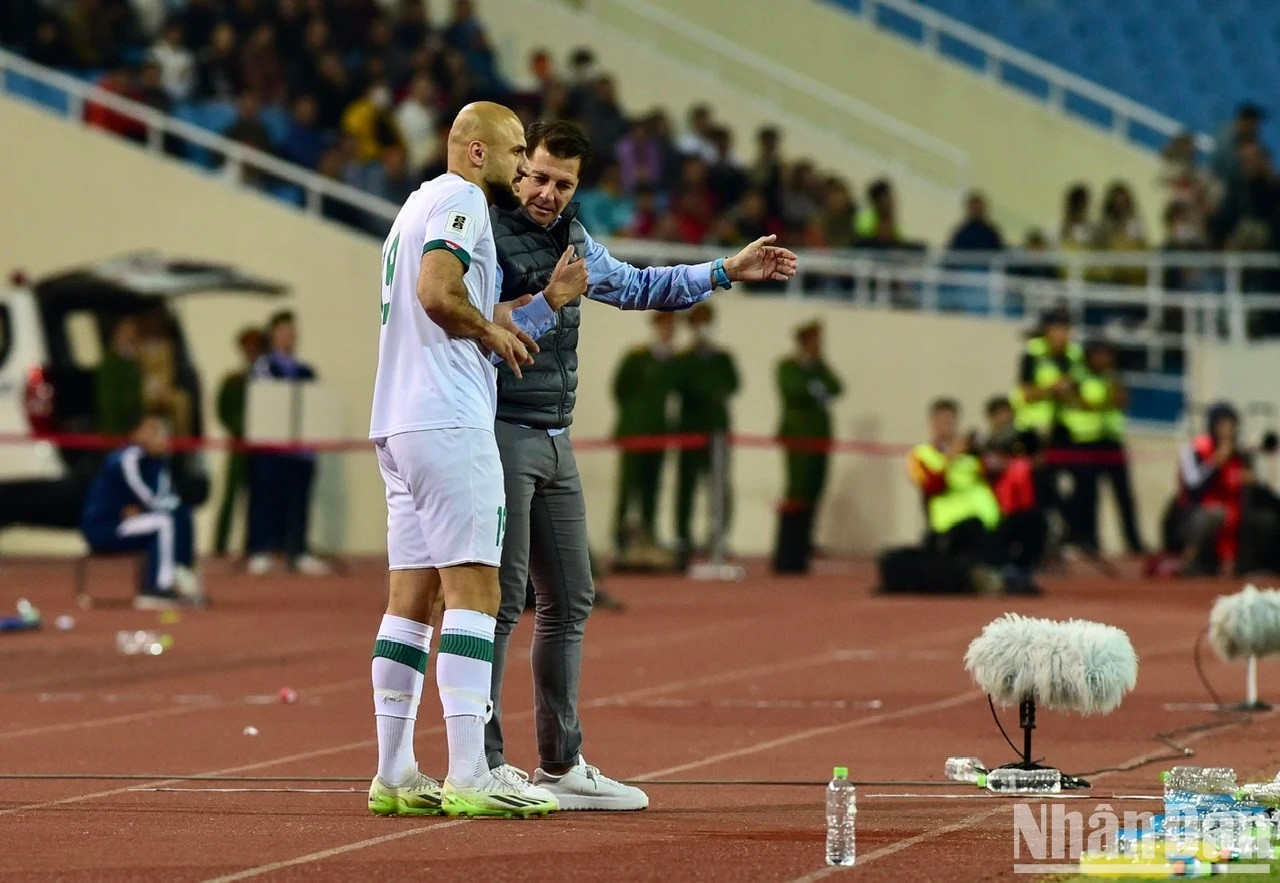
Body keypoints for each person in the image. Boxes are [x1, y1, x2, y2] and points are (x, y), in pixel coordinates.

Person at [485, 119, 796, 811]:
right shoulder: (482, 228)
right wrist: (549, 302)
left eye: (563, 184)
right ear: (517, 168)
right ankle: (483, 764)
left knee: (570, 600)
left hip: (554, 436)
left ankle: (560, 764)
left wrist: (723, 271)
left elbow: (635, 285)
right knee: (499, 605)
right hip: (497, 432)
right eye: (537, 176)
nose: (547, 192)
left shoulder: (573, 234)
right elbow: (475, 324)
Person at [367, 101, 563, 819]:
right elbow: (440, 295)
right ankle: (471, 772)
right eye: (515, 154)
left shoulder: (412, 208)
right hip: (449, 420)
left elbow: (469, 312)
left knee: (410, 600)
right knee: (476, 590)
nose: (522, 170)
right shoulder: (460, 199)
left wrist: (543, 306)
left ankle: (394, 770)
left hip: (399, 422)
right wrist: (487, 328)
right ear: (476, 152)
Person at [80, 411, 201, 609]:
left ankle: (182, 571)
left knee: (182, 513)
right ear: (135, 434)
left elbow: (168, 498)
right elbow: (152, 499)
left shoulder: (155, 462)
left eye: (161, 431)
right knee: (164, 521)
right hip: (105, 527)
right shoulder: (128, 458)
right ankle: (157, 588)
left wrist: (163, 460)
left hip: (129, 523)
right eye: (152, 430)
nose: (159, 436)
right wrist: (146, 509)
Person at [245, 311, 328, 577]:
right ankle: (263, 549)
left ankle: (298, 550)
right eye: (284, 331)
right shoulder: (264, 368)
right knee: (267, 500)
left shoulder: (305, 371)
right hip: (271, 450)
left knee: (298, 501)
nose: (289, 337)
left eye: (292, 332)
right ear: (273, 335)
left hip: (300, 452)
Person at [1168, 402, 1278, 576]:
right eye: (1223, 426)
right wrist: (1216, 462)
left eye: (1231, 426)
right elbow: (1194, 489)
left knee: (1262, 518)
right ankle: (1189, 560)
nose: (1228, 431)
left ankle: (1248, 564)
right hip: (1192, 515)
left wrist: (1252, 481)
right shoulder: (1195, 449)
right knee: (1216, 513)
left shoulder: (1240, 455)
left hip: (1232, 516)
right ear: (1213, 426)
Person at [905, 399, 1004, 593]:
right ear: (931, 423)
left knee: (1031, 523)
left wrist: (985, 450)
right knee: (974, 533)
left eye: (950, 421)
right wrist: (951, 456)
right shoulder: (921, 454)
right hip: (951, 525)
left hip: (987, 521)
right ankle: (993, 576)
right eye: (941, 421)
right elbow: (931, 486)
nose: (946, 426)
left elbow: (994, 475)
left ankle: (1009, 574)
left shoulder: (971, 454)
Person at [1060, 341, 1144, 556]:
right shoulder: (1078, 377)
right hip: (1085, 441)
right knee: (1089, 494)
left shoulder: (1113, 377)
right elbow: (1080, 403)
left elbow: (1121, 401)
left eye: (1107, 354)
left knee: (1124, 494)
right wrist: (1101, 402)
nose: (1103, 359)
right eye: (1099, 354)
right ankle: (1090, 541)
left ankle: (1133, 541)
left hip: (1111, 440)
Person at [774, 320, 843, 573]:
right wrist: (814, 388)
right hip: (797, 436)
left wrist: (817, 381)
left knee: (815, 488)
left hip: (819, 437)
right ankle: (790, 547)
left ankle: (806, 542)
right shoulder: (788, 367)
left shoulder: (819, 368)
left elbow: (837, 388)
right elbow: (793, 391)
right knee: (797, 490)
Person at [671, 302, 740, 559]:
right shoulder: (683, 359)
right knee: (686, 488)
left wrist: (704, 387)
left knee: (720, 488)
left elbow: (732, 383)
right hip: (690, 431)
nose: (704, 329)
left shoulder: (723, 358)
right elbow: (682, 385)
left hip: (717, 431)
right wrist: (708, 388)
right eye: (699, 323)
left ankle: (718, 536)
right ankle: (683, 538)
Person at [612, 312, 678, 560]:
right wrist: (633, 417)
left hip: (658, 433)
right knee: (628, 487)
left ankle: (649, 535)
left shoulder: (672, 361)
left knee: (652, 487)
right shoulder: (637, 358)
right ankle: (620, 537)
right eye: (664, 326)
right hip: (635, 431)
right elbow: (620, 388)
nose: (668, 332)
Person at [1010, 307, 1081, 535]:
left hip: (1059, 428)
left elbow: (1077, 394)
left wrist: (1068, 392)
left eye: (1067, 329)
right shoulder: (1032, 355)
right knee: (1038, 486)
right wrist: (1053, 389)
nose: (1064, 334)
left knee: (1077, 480)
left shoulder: (1072, 357)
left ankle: (1068, 533)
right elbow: (1026, 393)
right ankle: (1041, 535)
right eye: (1059, 328)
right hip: (1032, 432)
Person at [213, 327, 264, 557]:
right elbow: (222, 410)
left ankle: (252, 546)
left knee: (257, 500)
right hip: (239, 446)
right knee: (230, 499)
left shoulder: (265, 381)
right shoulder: (233, 381)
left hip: (261, 449)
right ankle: (220, 546)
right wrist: (240, 426)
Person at [96, 316, 144, 435]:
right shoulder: (111, 363)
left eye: (133, 332)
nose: (130, 336)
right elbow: (111, 399)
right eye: (126, 332)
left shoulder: (134, 360)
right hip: (119, 425)